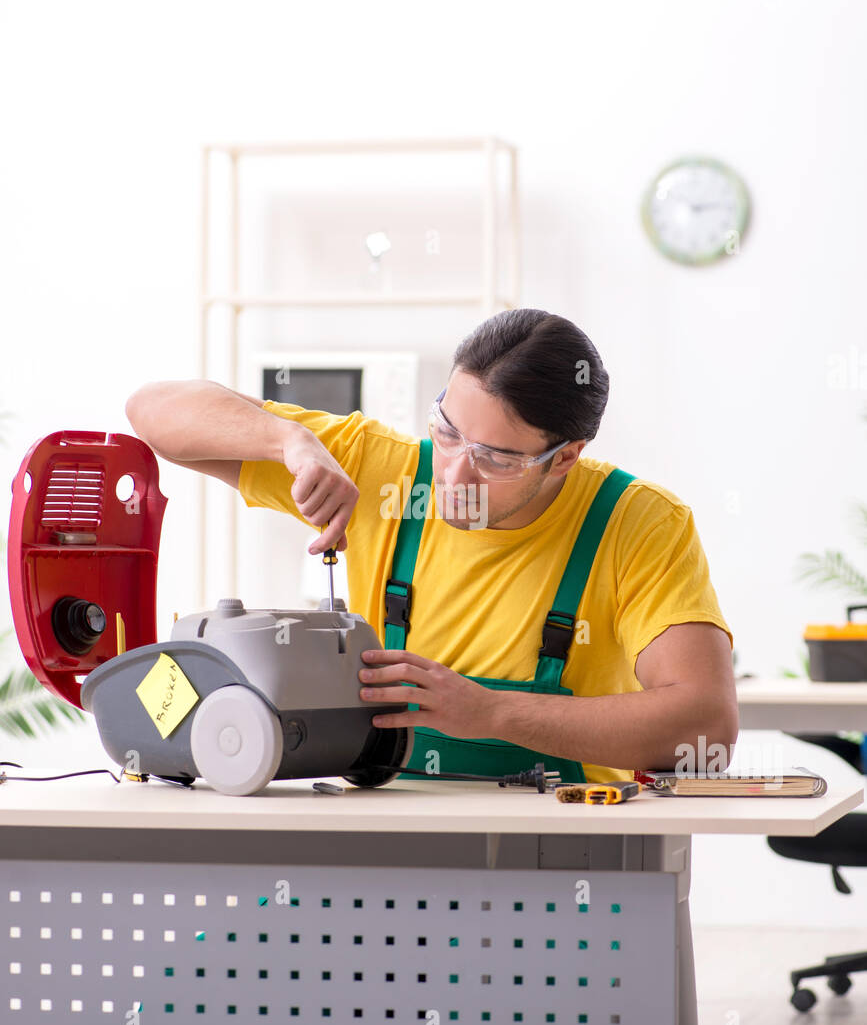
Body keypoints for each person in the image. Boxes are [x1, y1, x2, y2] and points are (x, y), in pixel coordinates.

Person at [125, 308, 738, 787]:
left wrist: (493, 714)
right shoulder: (379, 469)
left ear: (565, 459)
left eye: (495, 458)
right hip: (384, 839)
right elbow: (151, 411)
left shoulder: (638, 523)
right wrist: (288, 441)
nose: (453, 477)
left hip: (560, 852)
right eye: (447, 431)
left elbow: (706, 728)